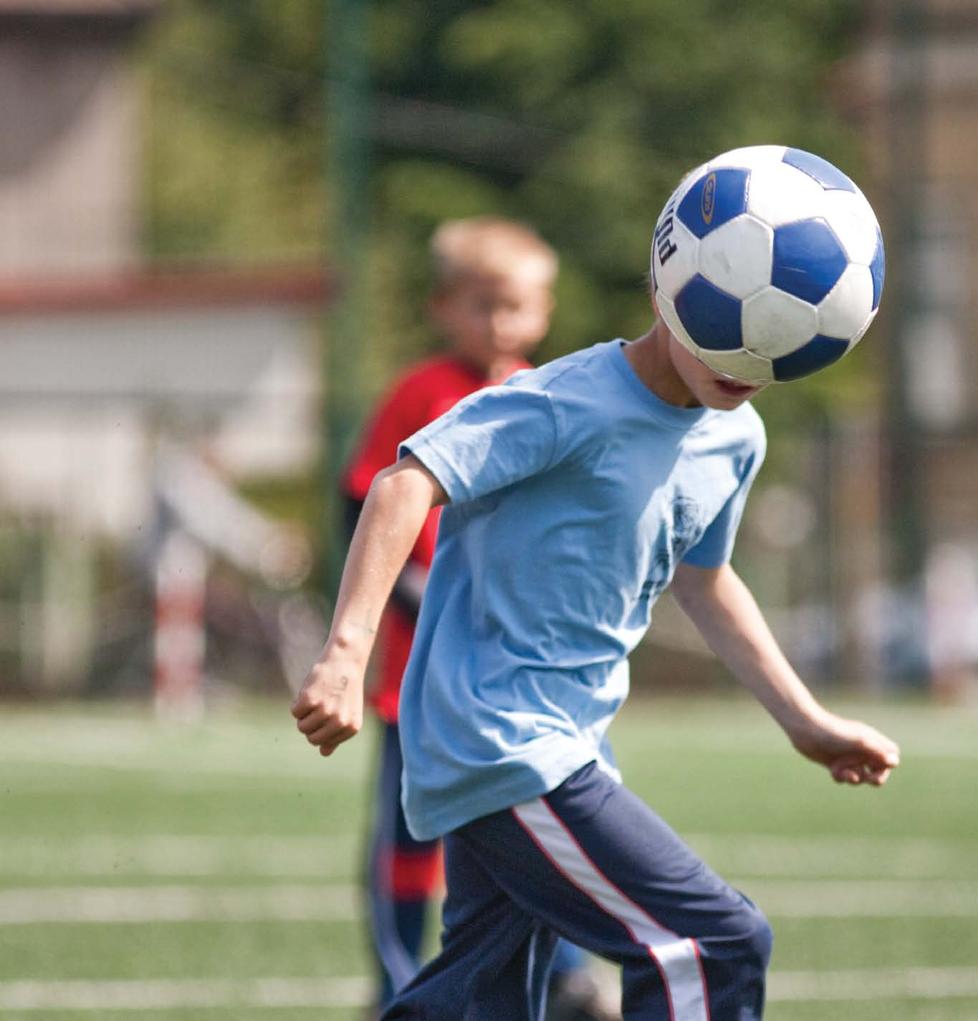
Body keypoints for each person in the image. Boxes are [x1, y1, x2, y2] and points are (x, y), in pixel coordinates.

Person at [293, 181, 901, 1019]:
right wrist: (346, 653)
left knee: (482, 1000)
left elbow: (707, 576)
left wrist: (805, 719)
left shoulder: (735, 435)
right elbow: (403, 484)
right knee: (710, 941)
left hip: (567, 740)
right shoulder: (563, 400)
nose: (748, 361)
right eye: (732, 327)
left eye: (779, 347)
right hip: (502, 742)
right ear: (667, 287)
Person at [340, 216, 615, 1019]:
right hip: (421, 673)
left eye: (515, 305)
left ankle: (565, 974)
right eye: (480, 304)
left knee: (532, 820)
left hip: (516, 670)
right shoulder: (418, 394)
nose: (498, 322)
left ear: (545, 308)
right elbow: (364, 500)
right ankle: (397, 979)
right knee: (410, 832)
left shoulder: (546, 394)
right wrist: (409, 597)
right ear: (442, 307)